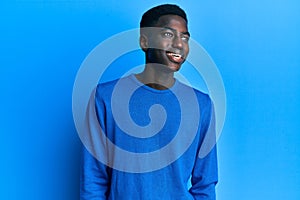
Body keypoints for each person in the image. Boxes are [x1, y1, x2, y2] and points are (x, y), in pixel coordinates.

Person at [80, 4, 218, 199]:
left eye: (184, 37)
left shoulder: (202, 105)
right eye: (168, 35)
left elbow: (206, 184)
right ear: (145, 41)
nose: (179, 44)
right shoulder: (105, 97)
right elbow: (93, 179)